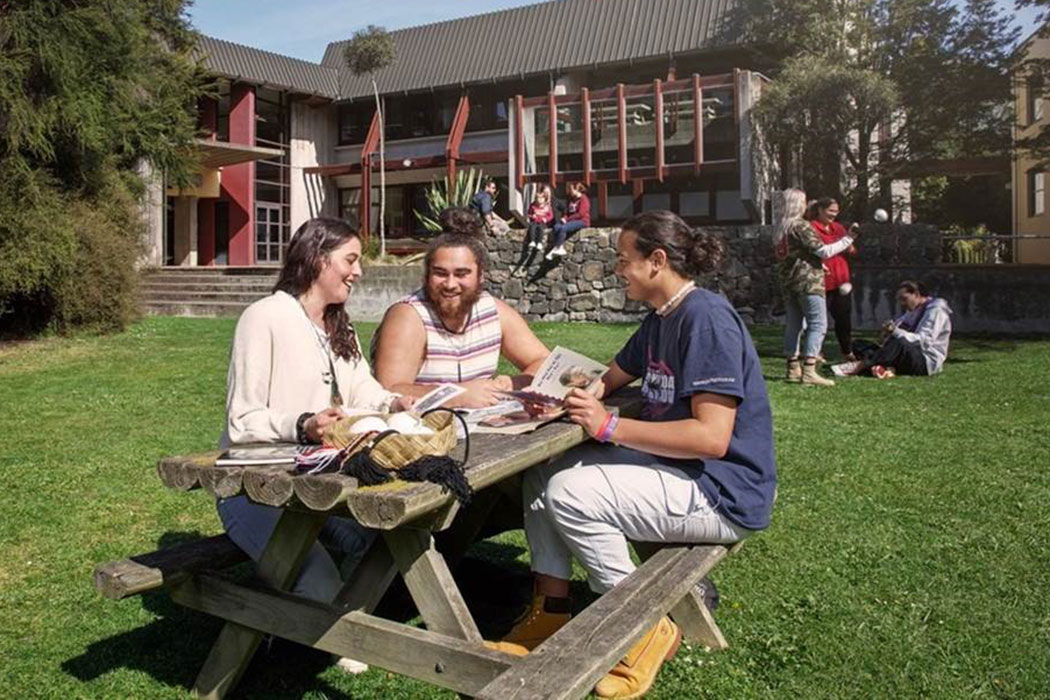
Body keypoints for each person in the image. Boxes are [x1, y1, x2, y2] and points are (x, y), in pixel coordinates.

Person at [491, 211, 777, 700]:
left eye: (624, 261)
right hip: (679, 475)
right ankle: (550, 610)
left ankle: (644, 628)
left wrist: (609, 425)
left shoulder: (705, 319)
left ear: (657, 261)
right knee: (544, 472)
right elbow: (610, 376)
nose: (617, 271)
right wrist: (571, 395)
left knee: (571, 492)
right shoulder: (660, 319)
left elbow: (712, 438)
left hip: (724, 492)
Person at [219, 217, 414, 672]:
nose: (358, 271)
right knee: (320, 580)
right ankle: (290, 630)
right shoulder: (264, 317)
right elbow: (242, 420)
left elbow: (364, 390)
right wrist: (304, 423)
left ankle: (332, 620)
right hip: (254, 492)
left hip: (318, 486)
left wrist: (395, 401)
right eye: (350, 259)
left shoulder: (335, 324)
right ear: (317, 259)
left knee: (383, 541)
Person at [371, 207, 550, 408]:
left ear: (481, 275)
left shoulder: (493, 311)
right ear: (427, 274)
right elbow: (387, 389)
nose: (450, 284)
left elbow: (544, 362)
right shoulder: (408, 316)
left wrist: (512, 383)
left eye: (461, 274)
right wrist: (455, 396)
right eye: (440, 273)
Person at [775, 188, 858, 386]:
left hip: (789, 282)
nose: (807, 205)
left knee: (794, 325)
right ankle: (810, 369)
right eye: (803, 202)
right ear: (797, 204)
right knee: (818, 323)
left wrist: (817, 265)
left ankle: (793, 368)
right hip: (808, 282)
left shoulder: (781, 228)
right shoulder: (801, 226)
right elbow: (823, 250)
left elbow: (796, 256)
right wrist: (849, 238)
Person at [832, 280, 953, 379]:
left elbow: (924, 341)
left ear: (916, 294)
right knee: (858, 344)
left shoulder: (935, 311)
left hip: (925, 361)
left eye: (904, 299)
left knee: (899, 343)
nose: (902, 304)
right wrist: (886, 334)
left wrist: (895, 332)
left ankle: (861, 365)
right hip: (904, 354)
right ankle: (884, 368)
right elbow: (898, 327)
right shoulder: (913, 310)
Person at [809, 197, 857, 360]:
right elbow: (822, 251)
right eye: (831, 211)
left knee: (843, 318)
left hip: (841, 279)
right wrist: (844, 242)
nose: (834, 215)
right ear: (820, 210)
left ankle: (847, 351)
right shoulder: (811, 228)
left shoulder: (838, 228)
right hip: (822, 280)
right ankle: (816, 352)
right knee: (818, 321)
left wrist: (850, 246)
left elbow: (850, 249)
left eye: (836, 211)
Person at [511, 185, 556, 276]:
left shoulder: (547, 207)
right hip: (534, 221)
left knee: (540, 229)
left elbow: (550, 216)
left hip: (542, 222)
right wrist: (532, 217)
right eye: (537, 199)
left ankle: (539, 242)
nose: (539, 201)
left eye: (541, 199)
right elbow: (529, 214)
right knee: (532, 227)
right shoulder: (533, 206)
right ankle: (532, 241)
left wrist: (545, 219)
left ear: (544, 199)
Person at [545, 181, 591, 259]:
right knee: (556, 227)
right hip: (570, 220)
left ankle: (558, 247)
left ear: (576, 189)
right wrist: (564, 218)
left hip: (582, 221)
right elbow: (568, 212)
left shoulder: (583, 199)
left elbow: (581, 214)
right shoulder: (571, 199)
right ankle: (557, 247)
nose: (569, 191)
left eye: (571, 189)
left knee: (563, 228)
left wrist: (567, 220)